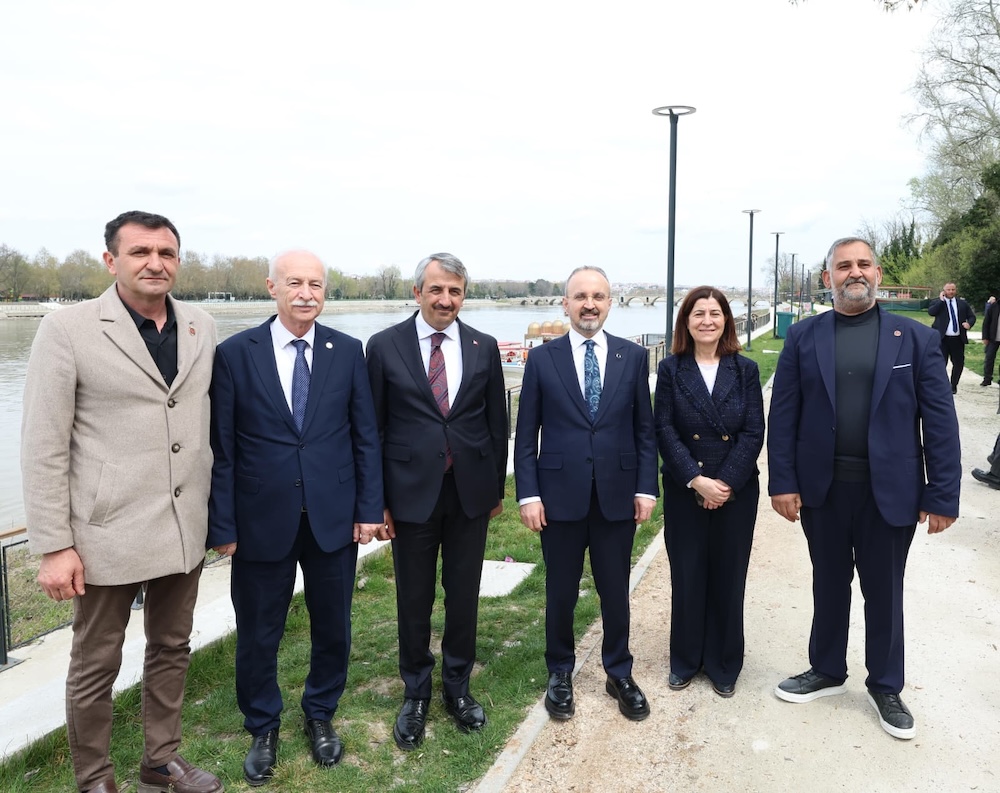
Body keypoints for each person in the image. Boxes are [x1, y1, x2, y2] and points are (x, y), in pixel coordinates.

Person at [20, 211, 222, 793]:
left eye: (166, 252)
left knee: (172, 647)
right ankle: (94, 778)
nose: (155, 263)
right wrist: (54, 545)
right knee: (96, 662)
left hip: (183, 525)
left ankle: (161, 761)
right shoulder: (68, 329)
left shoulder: (201, 325)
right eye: (140, 252)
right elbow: (43, 444)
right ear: (111, 261)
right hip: (106, 533)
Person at [768, 237, 960, 741]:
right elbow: (783, 416)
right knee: (828, 583)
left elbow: (940, 423)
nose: (854, 272)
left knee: (884, 591)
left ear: (877, 273)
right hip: (823, 491)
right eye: (843, 266)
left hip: (890, 492)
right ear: (827, 277)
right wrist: (782, 482)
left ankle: (886, 686)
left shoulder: (915, 339)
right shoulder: (804, 337)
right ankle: (827, 669)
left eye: (863, 264)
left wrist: (942, 494)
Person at [207, 250, 383, 784]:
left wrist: (368, 509)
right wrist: (223, 526)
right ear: (272, 287)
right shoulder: (234, 354)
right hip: (260, 521)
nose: (306, 293)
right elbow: (222, 448)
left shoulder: (347, 351)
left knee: (334, 626)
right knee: (259, 632)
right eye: (295, 283)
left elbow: (365, 437)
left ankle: (320, 713)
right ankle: (263, 725)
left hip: (333, 518)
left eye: (316, 284)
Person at [365, 253, 507, 751]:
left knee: (464, 594)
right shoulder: (384, 346)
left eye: (455, 291)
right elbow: (373, 429)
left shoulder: (484, 346)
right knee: (414, 598)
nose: (446, 299)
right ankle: (416, 691)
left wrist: (495, 490)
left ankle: (458, 686)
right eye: (437, 289)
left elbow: (497, 424)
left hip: (469, 493)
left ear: (464, 295)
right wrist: (377, 502)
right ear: (417, 292)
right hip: (409, 495)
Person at [514, 266, 658, 723]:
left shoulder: (632, 358)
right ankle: (560, 672)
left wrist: (646, 488)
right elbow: (525, 436)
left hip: (617, 494)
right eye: (580, 296)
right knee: (561, 591)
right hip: (558, 498)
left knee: (615, 591)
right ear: (566, 304)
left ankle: (619, 672)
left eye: (598, 296)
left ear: (610, 302)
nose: (589, 304)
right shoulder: (542, 360)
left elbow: (644, 431)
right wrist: (528, 495)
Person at [653, 287, 764, 698]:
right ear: (686, 321)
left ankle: (724, 663)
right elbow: (664, 428)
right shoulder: (671, 369)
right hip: (686, 488)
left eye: (714, 314)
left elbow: (753, 430)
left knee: (729, 575)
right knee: (687, 573)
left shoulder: (745, 369)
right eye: (698, 313)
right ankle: (685, 659)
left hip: (736, 490)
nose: (707, 321)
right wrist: (696, 480)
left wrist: (725, 483)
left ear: (726, 321)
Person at [928, 281, 975, 393]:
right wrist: (941, 301)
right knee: (940, 363)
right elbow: (931, 312)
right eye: (948, 290)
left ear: (956, 290)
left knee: (959, 363)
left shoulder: (962, 303)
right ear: (944, 290)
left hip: (957, 339)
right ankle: (941, 384)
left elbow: (971, 316)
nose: (951, 292)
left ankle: (953, 385)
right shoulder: (938, 302)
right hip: (942, 339)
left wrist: (969, 324)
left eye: (953, 289)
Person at [980, 296, 999, 386]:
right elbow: (986, 322)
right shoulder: (994, 306)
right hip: (993, 337)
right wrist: (985, 337)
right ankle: (987, 378)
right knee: (989, 358)